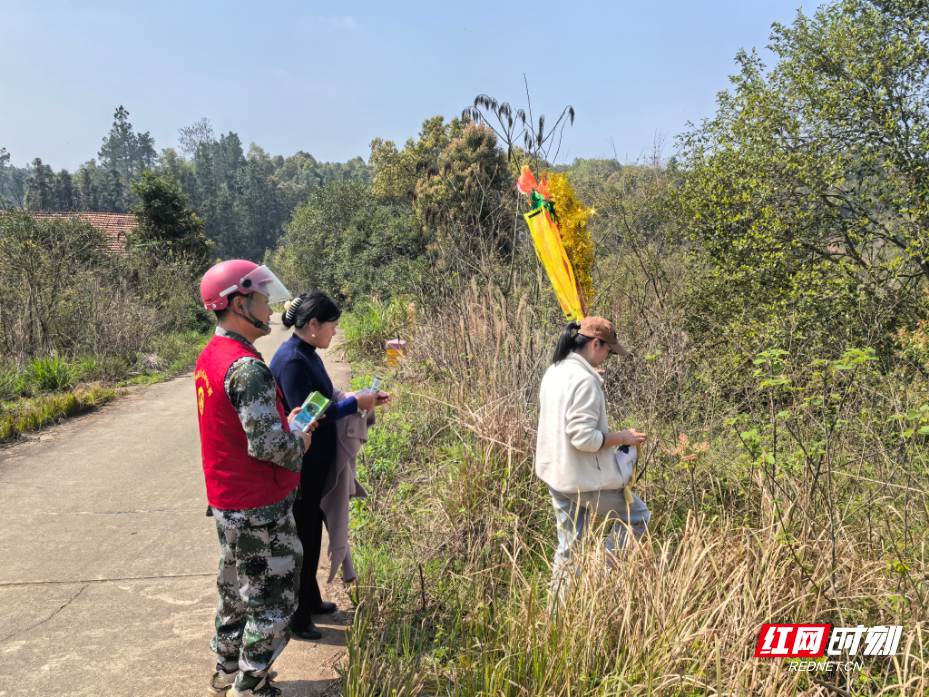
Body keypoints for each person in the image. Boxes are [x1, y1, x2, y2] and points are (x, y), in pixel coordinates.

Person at [196, 260, 317, 697]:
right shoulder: (247, 368)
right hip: (258, 507)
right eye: (263, 300)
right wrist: (300, 439)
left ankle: (228, 667)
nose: (270, 309)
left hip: (228, 502)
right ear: (239, 302)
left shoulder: (212, 355)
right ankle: (250, 684)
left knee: (235, 589)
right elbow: (268, 446)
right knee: (273, 598)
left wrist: (285, 423)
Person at [269, 291, 389, 641]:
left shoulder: (306, 353)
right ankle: (298, 615)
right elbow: (309, 419)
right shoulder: (293, 360)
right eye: (332, 326)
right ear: (313, 325)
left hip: (316, 462)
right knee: (303, 537)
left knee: (312, 531)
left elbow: (324, 399)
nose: (335, 333)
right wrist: (354, 405)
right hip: (302, 465)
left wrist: (357, 399)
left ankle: (312, 598)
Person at [535, 317, 650, 597]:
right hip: (585, 481)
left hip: (557, 476)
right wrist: (622, 437)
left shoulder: (556, 369)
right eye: (608, 351)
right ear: (595, 343)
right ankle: (601, 578)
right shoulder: (584, 380)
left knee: (568, 550)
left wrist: (593, 381)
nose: (608, 358)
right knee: (638, 517)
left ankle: (557, 619)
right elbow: (583, 438)